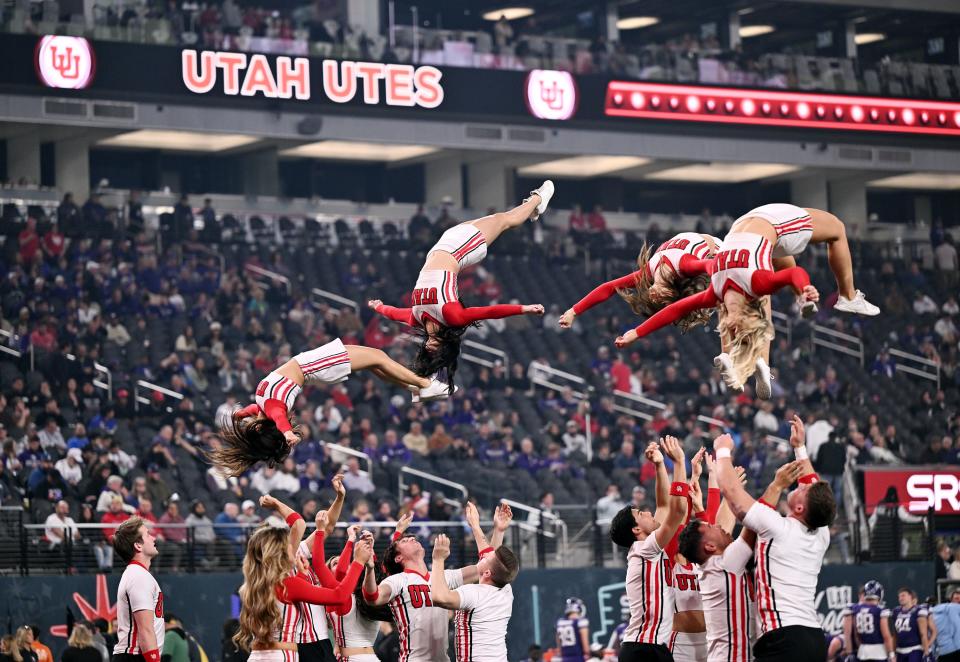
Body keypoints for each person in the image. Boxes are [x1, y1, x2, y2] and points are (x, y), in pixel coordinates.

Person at [616, 206, 879, 397]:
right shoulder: (726, 290)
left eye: (731, 327)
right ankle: (848, 297)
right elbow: (675, 309)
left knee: (778, 270)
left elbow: (794, 275)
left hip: (761, 227)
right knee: (837, 229)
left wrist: (803, 291)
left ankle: (744, 358)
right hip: (754, 227)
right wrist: (635, 333)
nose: (730, 322)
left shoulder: (740, 289)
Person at [369, 181, 554, 393]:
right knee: (503, 220)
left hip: (443, 244)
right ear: (444, 345)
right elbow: (487, 312)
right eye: (437, 352)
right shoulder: (450, 316)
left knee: (501, 219)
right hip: (461, 250)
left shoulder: (418, 319)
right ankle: (538, 199)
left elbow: (395, 313)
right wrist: (524, 309)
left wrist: (379, 307)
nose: (430, 349)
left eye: (427, 353)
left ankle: (531, 208)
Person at [209, 339, 450, 476]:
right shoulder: (273, 409)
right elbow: (279, 418)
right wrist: (287, 433)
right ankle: (424, 384)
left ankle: (416, 389)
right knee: (378, 357)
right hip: (314, 366)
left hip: (313, 366)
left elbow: (254, 411)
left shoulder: (261, 408)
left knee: (376, 362)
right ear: (262, 429)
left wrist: (238, 415)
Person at [713, 416, 837, 662]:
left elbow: (733, 495)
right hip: (814, 637)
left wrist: (723, 450)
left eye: (802, 491)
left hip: (784, 637)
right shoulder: (821, 532)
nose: (799, 485)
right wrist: (799, 448)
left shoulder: (777, 527)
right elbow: (814, 486)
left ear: (800, 509)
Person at [679, 459, 804, 662]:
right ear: (710, 547)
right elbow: (756, 523)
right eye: (712, 528)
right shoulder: (724, 566)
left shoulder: (712, 565)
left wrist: (730, 494)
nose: (719, 527)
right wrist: (777, 485)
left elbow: (724, 525)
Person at [232, 495, 372, 662]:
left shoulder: (251, 586)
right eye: (289, 546)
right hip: (286, 653)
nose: (294, 548)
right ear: (280, 553)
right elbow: (339, 596)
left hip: (258, 655)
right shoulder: (288, 583)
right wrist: (358, 562)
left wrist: (301, 576)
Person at [361, 503, 495, 662]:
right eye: (405, 541)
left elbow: (488, 566)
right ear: (399, 558)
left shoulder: (442, 576)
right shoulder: (397, 580)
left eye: (412, 537)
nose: (411, 537)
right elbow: (372, 597)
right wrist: (369, 568)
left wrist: (477, 526)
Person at [609, 436, 689, 661]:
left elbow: (664, 504)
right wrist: (680, 463)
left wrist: (659, 464)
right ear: (636, 530)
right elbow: (675, 512)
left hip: (650, 647)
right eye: (639, 514)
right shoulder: (645, 549)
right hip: (644, 649)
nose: (646, 512)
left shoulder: (646, 547)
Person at [559, 232, 721, 332]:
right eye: (663, 300)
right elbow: (710, 265)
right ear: (672, 291)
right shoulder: (683, 265)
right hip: (720, 251)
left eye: (655, 302)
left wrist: (573, 311)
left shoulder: (648, 272)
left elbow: (608, 287)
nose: (654, 299)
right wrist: (714, 281)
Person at [430, 529, 519, 662]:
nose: (485, 555)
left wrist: (438, 559)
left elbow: (439, 597)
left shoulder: (474, 593)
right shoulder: (506, 589)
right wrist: (493, 529)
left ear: (487, 573)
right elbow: (494, 562)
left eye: (487, 557)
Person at [111, 517, 165, 662]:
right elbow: (145, 629)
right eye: (147, 534)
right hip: (135, 656)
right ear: (138, 546)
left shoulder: (137, 574)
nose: (153, 538)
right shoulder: (138, 576)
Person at [842, 581, 894, 662]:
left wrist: (850, 651)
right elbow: (886, 636)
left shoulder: (855, 609)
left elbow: (855, 634)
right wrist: (891, 654)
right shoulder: (880, 611)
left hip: (862, 651)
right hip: (879, 652)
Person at [887, 587, 934, 662]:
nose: (900, 598)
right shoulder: (896, 611)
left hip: (915, 649)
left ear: (910, 596)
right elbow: (895, 634)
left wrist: (927, 650)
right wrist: (893, 652)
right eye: (899, 596)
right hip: (900, 650)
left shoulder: (919, 610)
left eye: (903, 595)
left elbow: (924, 634)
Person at [931, 590, 960, 662]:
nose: (958, 601)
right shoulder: (939, 613)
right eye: (956, 598)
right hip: (949, 650)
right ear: (951, 600)